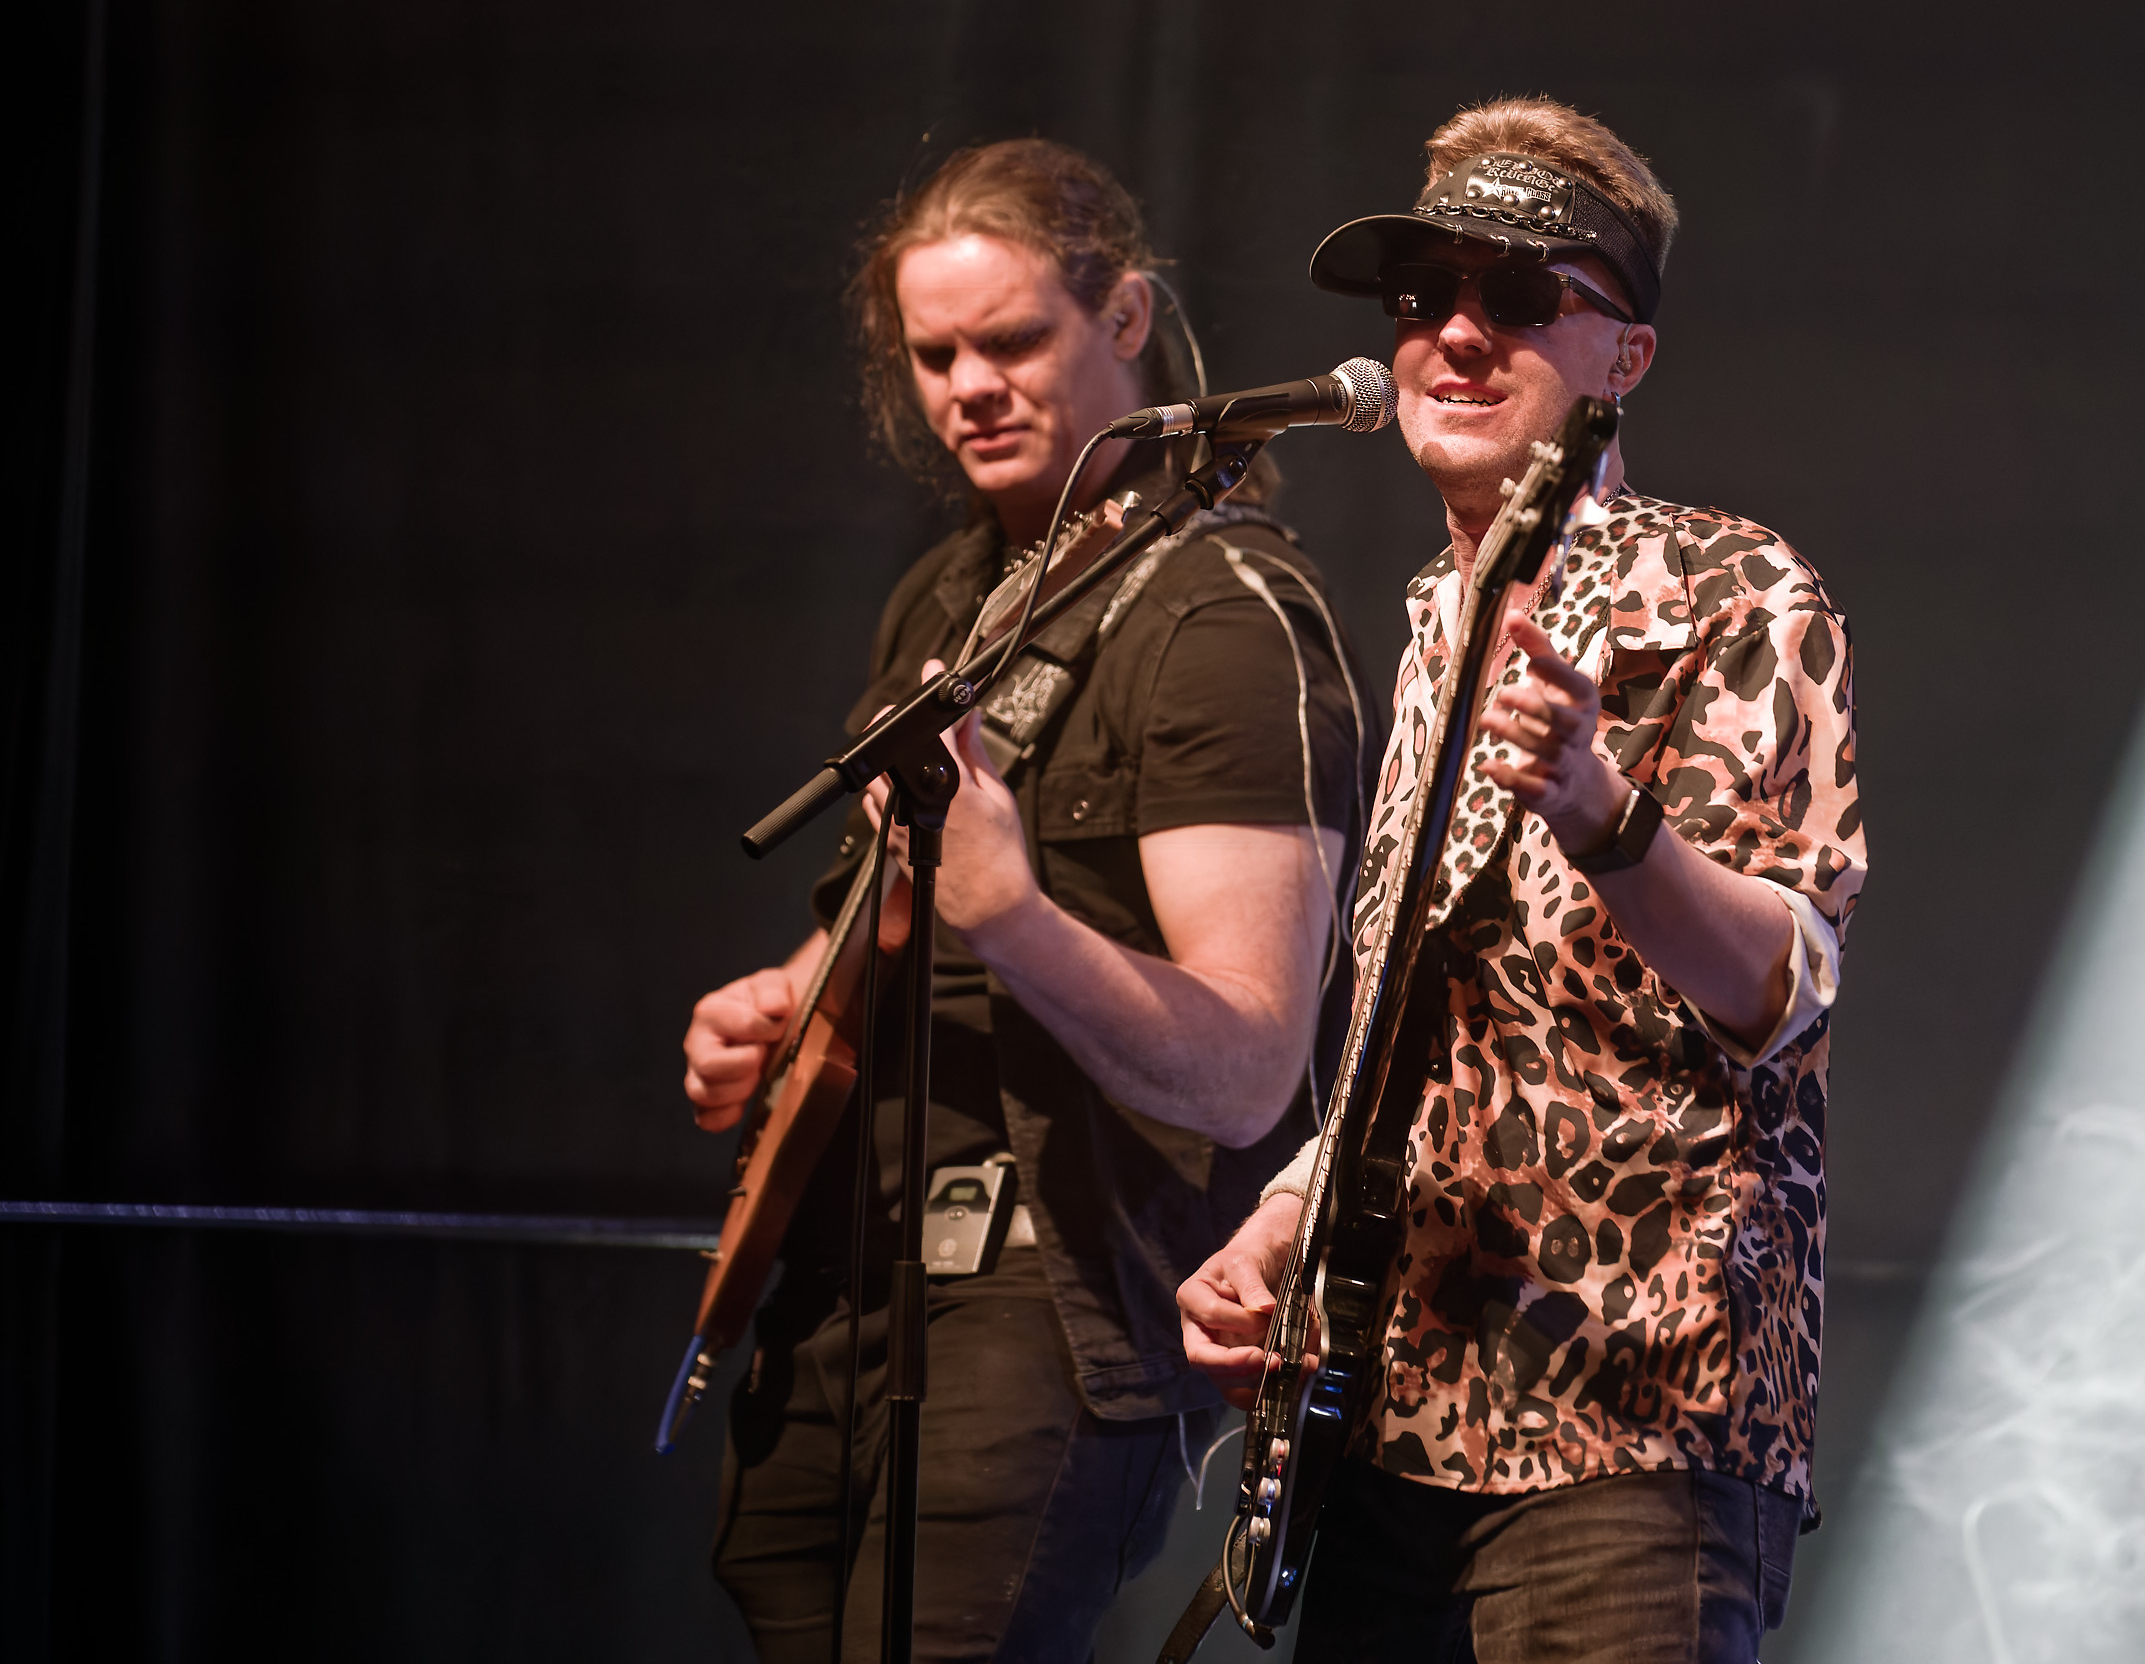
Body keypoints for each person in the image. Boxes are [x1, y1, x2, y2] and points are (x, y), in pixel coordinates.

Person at [1176, 98, 1867, 1663]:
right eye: (1425, 295)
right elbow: (1432, 1028)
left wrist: (1603, 813)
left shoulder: (1735, 589)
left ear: (1626, 355)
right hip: (1397, 1412)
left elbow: (1785, 985)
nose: (1457, 334)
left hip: (1636, 1416)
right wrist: (1285, 1217)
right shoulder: (1433, 620)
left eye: (1517, 294)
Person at [681, 138, 1370, 1664]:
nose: (969, 388)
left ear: (1125, 318)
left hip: (1043, 1312)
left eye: (1010, 341)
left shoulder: (1225, 622)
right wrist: (788, 1000)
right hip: (842, 1287)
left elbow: (1250, 1066)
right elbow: (893, 904)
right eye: (934, 357)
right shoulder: (947, 593)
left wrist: (1016, 917)